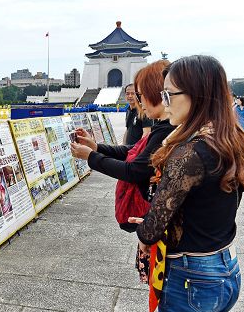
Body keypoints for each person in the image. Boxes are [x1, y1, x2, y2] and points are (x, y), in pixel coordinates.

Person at [129, 55, 244, 312]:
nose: (165, 102)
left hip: (191, 277)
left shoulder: (189, 153)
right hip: (226, 268)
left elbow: (152, 230)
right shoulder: (229, 140)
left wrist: (144, 236)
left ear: (196, 95)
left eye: (169, 94)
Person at [70, 60, 175, 231]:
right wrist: (96, 147)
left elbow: (134, 171)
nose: (139, 102)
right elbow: (134, 149)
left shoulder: (167, 130)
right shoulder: (163, 126)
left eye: (140, 95)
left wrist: (91, 156)